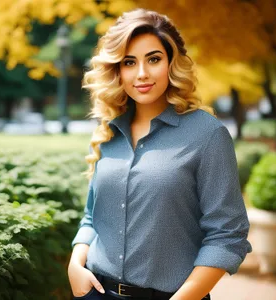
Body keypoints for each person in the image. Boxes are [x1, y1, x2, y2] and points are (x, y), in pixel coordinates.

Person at [68, 8, 252, 300]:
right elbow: (93, 217)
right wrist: (75, 263)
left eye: (153, 59)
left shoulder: (208, 134)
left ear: (171, 63)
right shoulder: (109, 132)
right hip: (97, 291)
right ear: (118, 70)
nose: (141, 73)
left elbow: (227, 234)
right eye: (129, 62)